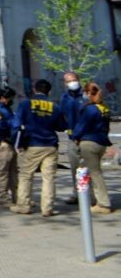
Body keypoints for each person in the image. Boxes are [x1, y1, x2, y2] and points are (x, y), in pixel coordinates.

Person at [9, 79, 66, 217]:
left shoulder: (25, 104)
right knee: (49, 178)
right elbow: (61, 126)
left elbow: (16, 125)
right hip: (50, 145)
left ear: (34, 89)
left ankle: (23, 205)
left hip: (32, 144)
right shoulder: (55, 106)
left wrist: (17, 143)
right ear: (49, 91)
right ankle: (47, 208)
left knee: (26, 176)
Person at [73, 82, 113, 214]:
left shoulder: (89, 109)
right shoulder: (104, 108)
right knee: (92, 172)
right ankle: (93, 198)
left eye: (86, 92)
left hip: (89, 142)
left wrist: (75, 136)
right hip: (101, 143)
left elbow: (82, 126)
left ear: (89, 93)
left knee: (95, 174)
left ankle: (103, 203)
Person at [58, 71, 87, 203]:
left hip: (87, 137)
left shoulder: (86, 95)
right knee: (75, 168)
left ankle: (92, 196)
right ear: (65, 83)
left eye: (73, 80)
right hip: (72, 137)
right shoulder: (64, 98)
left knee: (91, 168)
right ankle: (77, 194)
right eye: (68, 81)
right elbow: (62, 115)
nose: (71, 83)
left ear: (78, 80)